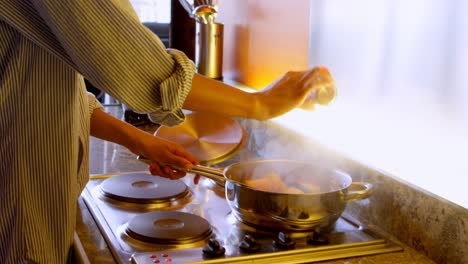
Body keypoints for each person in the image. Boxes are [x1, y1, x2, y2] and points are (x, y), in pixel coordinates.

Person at [0, 1, 334, 263]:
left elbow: (59, 92)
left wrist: (141, 140)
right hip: (18, 203)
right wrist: (260, 104)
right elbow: (132, 62)